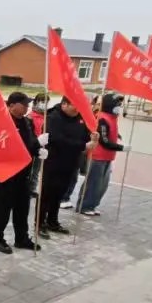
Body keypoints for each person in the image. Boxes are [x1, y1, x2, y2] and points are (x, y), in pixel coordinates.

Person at [0, 93, 47, 254]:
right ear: (12, 105)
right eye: (23, 104)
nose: (27, 107)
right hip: (6, 173)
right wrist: (34, 144)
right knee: (2, 208)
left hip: (24, 173)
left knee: (22, 207)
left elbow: (31, 142)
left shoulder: (27, 122)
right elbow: (7, 147)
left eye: (27, 104)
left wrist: (38, 149)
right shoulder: (2, 122)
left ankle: (21, 238)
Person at [39, 100, 96, 238]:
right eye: (74, 106)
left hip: (71, 162)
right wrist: (83, 145)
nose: (77, 109)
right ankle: (39, 223)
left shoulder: (79, 119)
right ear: (64, 104)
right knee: (47, 194)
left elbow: (85, 136)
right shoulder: (53, 117)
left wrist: (92, 138)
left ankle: (53, 221)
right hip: (53, 162)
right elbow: (56, 139)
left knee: (60, 193)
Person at [78, 92, 124, 216]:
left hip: (108, 157)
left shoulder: (112, 118)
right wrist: (121, 147)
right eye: (117, 104)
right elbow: (104, 141)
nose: (119, 106)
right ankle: (84, 206)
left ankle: (92, 205)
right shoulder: (102, 118)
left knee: (102, 184)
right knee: (93, 183)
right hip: (98, 156)